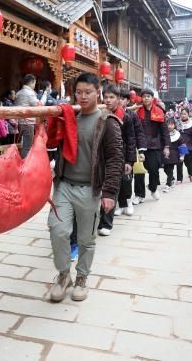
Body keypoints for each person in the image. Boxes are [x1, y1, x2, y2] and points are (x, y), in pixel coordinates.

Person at [49, 73, 122, 302]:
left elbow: (115, 159)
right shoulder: (69, 116)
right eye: (78, 92)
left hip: (90, 190)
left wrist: (109, 193)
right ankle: (63, 275)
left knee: (86, 239)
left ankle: (81, 278)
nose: (82, 96)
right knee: (58, 230)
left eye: (87, 92)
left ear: (97, 92)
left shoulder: (107, 122)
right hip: (63, 186)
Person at [98, 86, 136, 235]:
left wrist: (129, 161)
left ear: (119, 99)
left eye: (112, 97)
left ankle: (107, 223)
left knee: (112, 186)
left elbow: (131, 140)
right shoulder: (100, 114)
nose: (108, 100)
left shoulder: (126, 117)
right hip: (102, 155)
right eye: (106, 97)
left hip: (119, 157)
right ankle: (99, 218)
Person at [133, 89, 168, 201]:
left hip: (154, 145)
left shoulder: (159, 111)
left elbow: (164, 130)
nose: (146, 98)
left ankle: (153, 188)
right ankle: (139, 195)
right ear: (141, 98)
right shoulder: (137, 111)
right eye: (144, 96)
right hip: (140, 145)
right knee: (139, 171)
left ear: (153, 98)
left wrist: (166, 146)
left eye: (148, 96)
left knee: (154, 169)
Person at [15, 75, 39, 158]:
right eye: (35, 83)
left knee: (22, 145)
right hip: (28, 122)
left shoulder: (18, 93)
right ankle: (25, 165)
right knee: (27, 146)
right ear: (32, 82)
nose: (34, 85)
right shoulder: (30, 93)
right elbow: (38, 105)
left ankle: (21, 163)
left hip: (19, 122)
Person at [162, 118, 185, 192]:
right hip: (165, 155)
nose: (169, 126)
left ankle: (168, 184)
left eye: (171, 124)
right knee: (166, 169)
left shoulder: (178, 134)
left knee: (170, 169)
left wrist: (182, 155)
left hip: (174, 155)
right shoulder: (163, 133)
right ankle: (172, 178)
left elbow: (182, 145)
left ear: (174, 125)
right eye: (168, 124)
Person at [178, 108, 192, 183]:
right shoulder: (177, 123)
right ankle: (179, 179)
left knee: (188, 162)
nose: (183, 115)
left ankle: (191, 173)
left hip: (189, 145)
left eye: (185, 113)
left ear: (188, 114)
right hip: (179, 145)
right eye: (182, 114)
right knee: (179, 162)